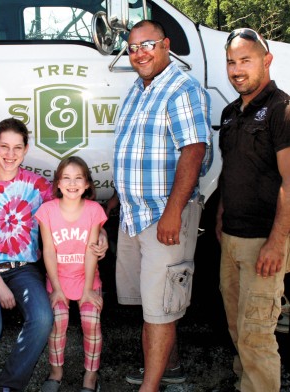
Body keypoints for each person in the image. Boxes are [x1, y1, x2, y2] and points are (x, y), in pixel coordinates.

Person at [0, 118, 107, 392]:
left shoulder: (38, 186)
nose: (10, 154)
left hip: (23, 268)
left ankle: (7, 385)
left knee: (42, 319)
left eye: (17, 147)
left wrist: (101, 235)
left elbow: (73, 213)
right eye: (4, 146)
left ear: (26, 149)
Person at [112, 20, 212, 391]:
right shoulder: (136, 91)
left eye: (147, 44)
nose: (139, 52)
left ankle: (149, 387)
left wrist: (173, 212)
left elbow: (194, 149)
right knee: (153, 302)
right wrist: (116, 199)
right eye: (133, 47)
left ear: (166, 45)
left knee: (159, 305)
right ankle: (167, 368)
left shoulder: (182, 88)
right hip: (134, 216)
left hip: (164, 217)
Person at [215, 27, 290, 392]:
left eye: (246, 60)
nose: (237, 69)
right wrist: (220, 218)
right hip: (231, 239)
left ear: (267, 60)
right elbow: (231, 171)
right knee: (237, 328)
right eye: (231, 62)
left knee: (257, 336)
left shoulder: (282, 110)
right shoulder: (230, 114)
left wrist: (277, 243)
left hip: (264, 243)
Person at [35, 156, 107, 392]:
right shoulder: (47, 211)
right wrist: (55, 287)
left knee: (91, 322)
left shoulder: (94, 210)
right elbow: (48, 250)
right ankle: (56, 372)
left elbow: (90, 251)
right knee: (58, 322)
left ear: (87, 184)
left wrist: (88, 290)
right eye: (66, 178)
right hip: (59, 280)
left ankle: (90, 376)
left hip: (86, 279)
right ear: (57, 183)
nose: (72, 183)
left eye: (78, 178)